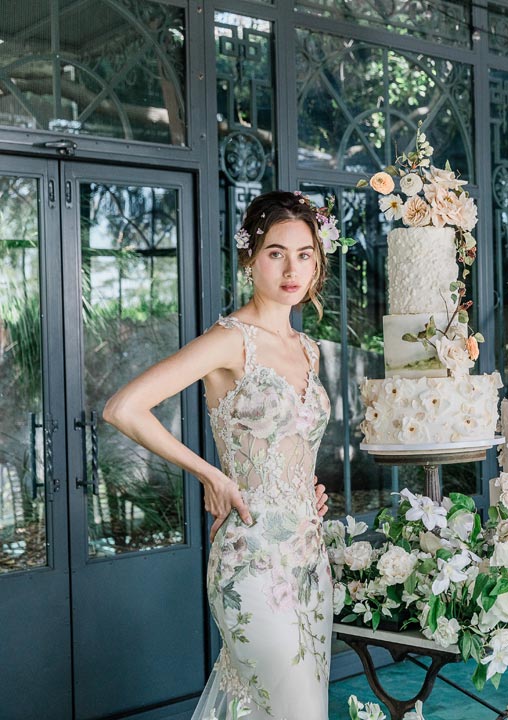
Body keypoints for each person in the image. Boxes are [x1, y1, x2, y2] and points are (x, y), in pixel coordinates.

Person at [104, 190, 341, 720]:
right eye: (276, 252)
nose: (291, 268)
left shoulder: (309, 349)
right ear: (250, 257)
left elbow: (290, 446)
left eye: (304, 254)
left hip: (308, 558)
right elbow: (124, 408)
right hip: (251, 560)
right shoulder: (230, 340)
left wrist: (308, 487)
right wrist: (214, 475)